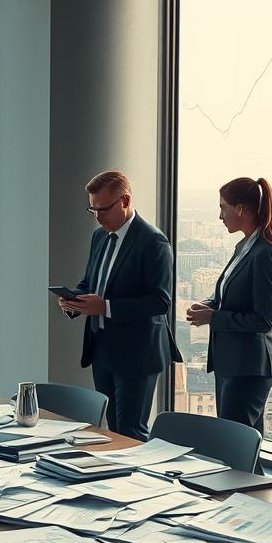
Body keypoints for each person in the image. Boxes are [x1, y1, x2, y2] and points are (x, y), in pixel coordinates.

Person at [58, 170, 181, 440]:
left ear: (125, 200)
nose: (98, 217)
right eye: (92, 209)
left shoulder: (153, 242)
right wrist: (74, 300)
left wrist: (106, 308)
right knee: (113, 431)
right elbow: (91, 281)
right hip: (102, 348)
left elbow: (160, 301)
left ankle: (143, 483)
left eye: (103, 209)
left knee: (130, 432)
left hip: (137, 353)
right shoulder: (100, 237)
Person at [186, 177, 272, 436]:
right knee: (242, 446)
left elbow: (263, 319)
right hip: (233, 363)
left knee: (235, 443)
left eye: (223, 208)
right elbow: (230, 296)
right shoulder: (245, 246)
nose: (220, 216)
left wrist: (214, 317)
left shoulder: (265, 253)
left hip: (249, 366)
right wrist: (208, 306)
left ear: (241, 209)